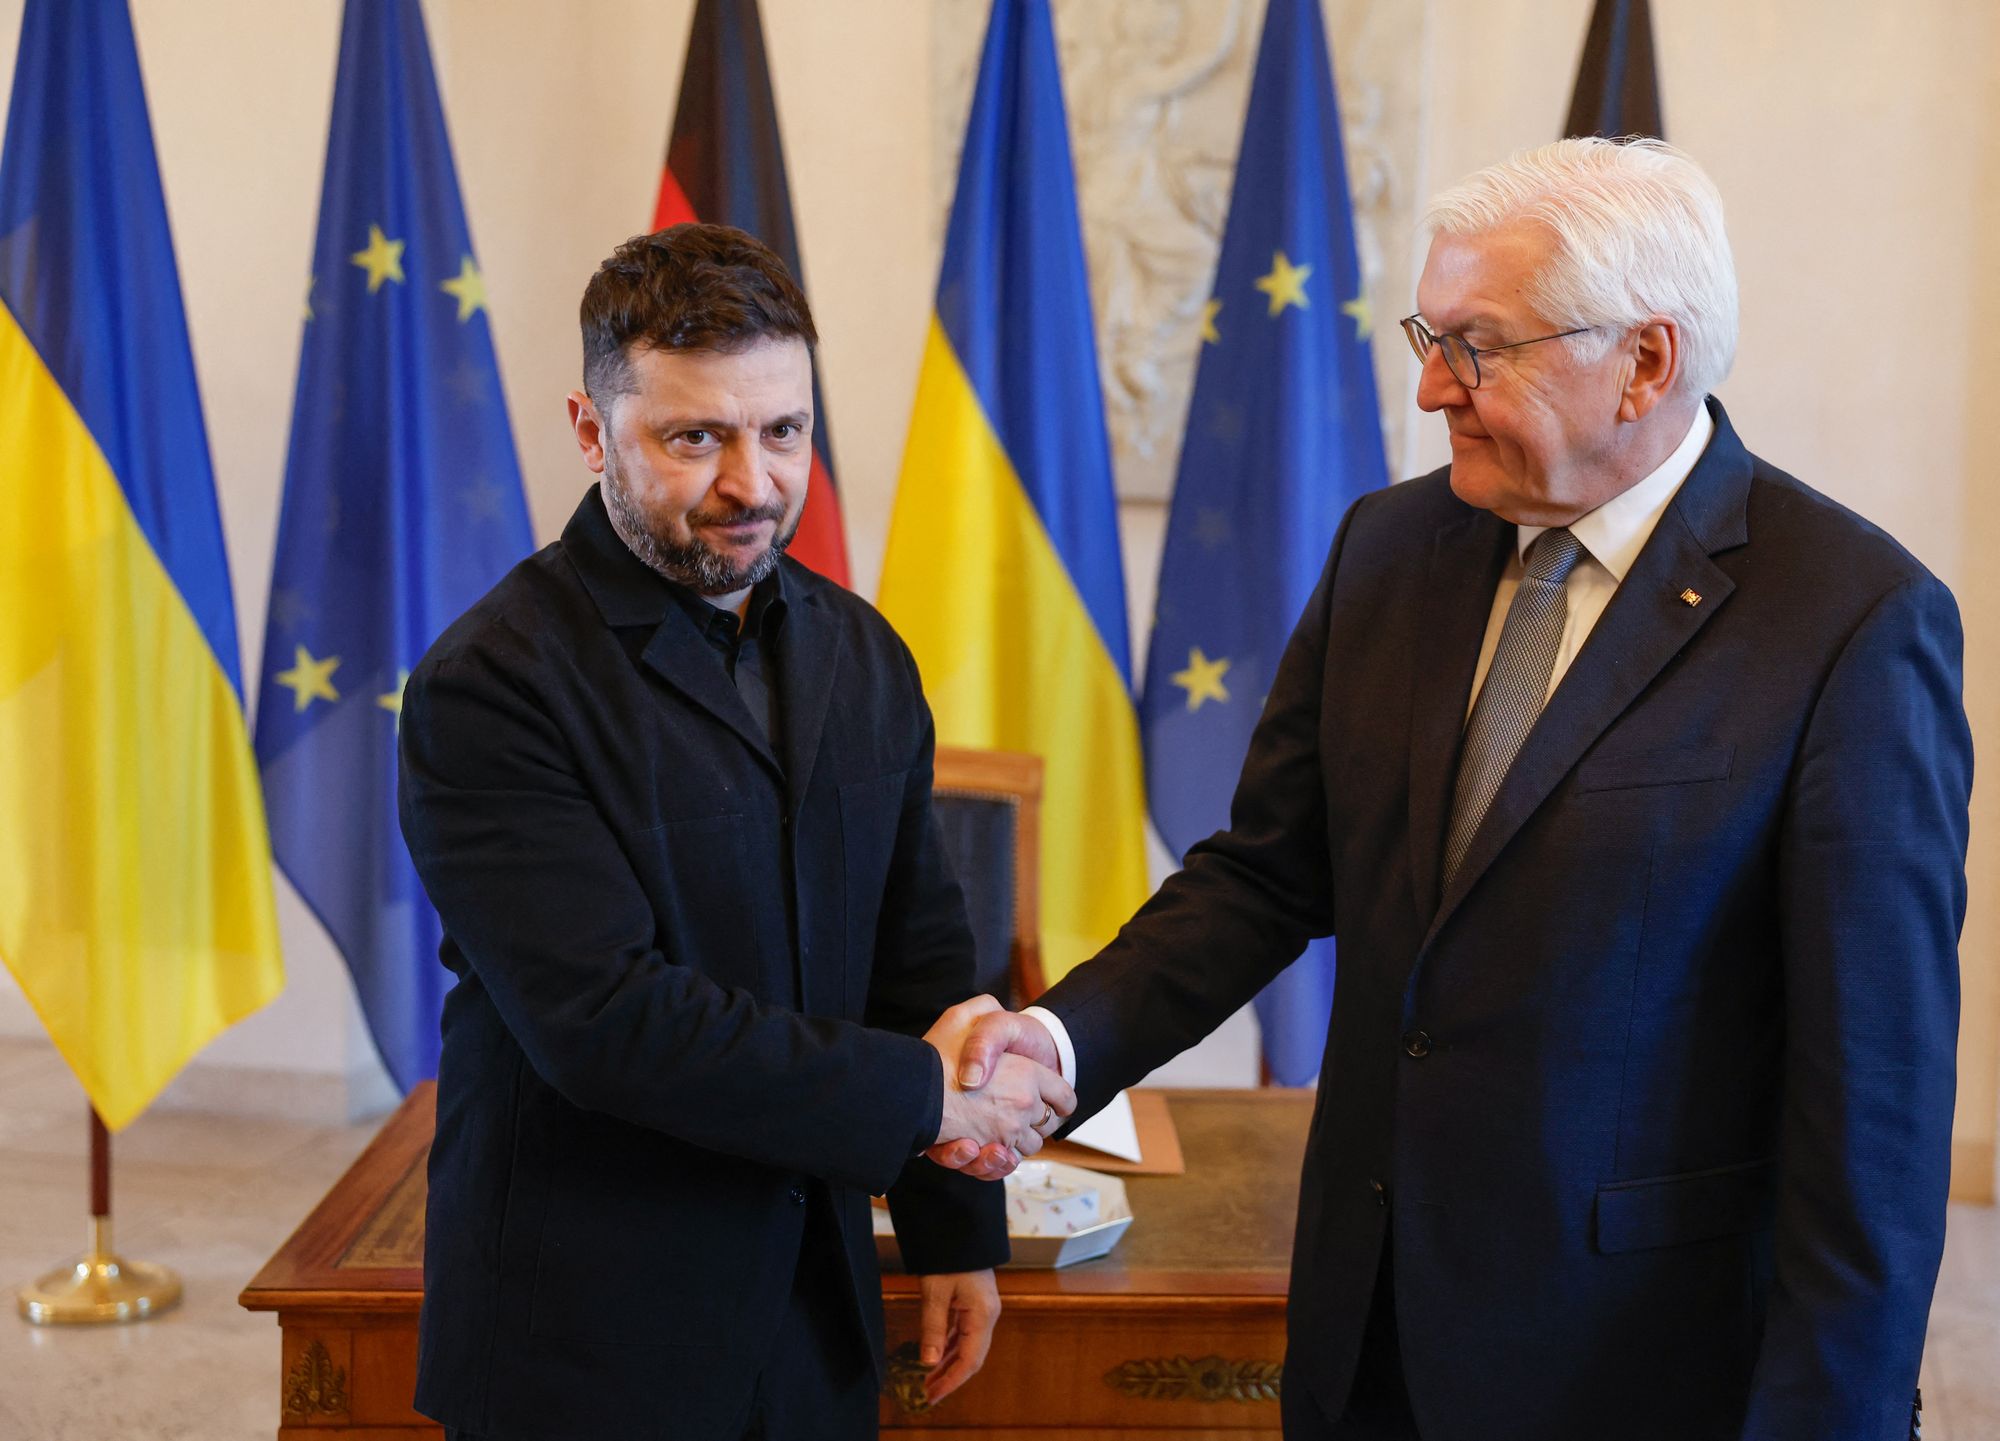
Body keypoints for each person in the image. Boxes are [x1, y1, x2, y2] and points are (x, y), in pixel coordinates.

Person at [936, 138, 1969, 1441]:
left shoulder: (1850, 622)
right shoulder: (1390, 547)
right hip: (1366, 1327)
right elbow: (1263, 873)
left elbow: (1871, 1105)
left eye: (1479, 346)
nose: (1430, 387)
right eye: (1432, 333)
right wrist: (1061, 1045)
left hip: (1638, 1361)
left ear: (1646, 359)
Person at [397, 223, 1074, 1441]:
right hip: (585, 1333)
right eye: (693, 436)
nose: (752, 484)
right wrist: (925, 1095)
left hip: (816, 1309)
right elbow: (607, 1025)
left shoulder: (863, 651)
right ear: (591, 431)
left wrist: (955, 1232)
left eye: (783, 431)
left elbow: (917, 954)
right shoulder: (489, 683)